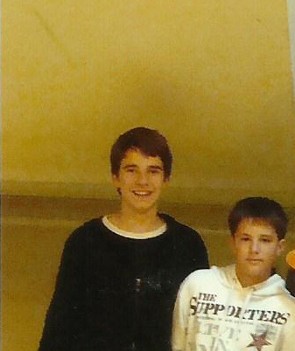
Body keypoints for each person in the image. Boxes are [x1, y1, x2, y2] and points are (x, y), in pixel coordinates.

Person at [39, 127, 210, 351]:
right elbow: (59, 327)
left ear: (166, 178)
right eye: (131, 170)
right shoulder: (85, 242)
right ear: (115, 178)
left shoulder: (187, 245)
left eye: (153, 171)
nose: (143, 181)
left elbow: (201, 327)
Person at [172, 197, 295, 351]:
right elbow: (177, 345)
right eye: (245, 239)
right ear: (232, 242)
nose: (254, 249)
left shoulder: (290, 311)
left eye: (265, 240)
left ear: (280, 247)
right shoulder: (198, 284)